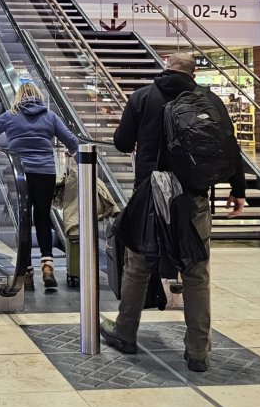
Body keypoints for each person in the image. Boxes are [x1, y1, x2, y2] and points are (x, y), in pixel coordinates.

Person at [101, 52, 246, 371]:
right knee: (196, 272)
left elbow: (122, 142)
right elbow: (230, 146)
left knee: (138, 264)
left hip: (150, 196)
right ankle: (197, 351)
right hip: (192, 198)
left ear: (165, 65)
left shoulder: (142, 97)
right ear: (194, 73)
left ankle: (125, 332)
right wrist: (238, 190)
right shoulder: (209, 101)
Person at [0, 82, 79, 291]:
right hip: (46, 173)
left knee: (22, 220)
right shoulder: (50, 116)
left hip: (19, 174)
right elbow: (71, 140)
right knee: (43, 217)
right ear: (38, 96)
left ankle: (27, 271)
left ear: (19, 97)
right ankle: (48, 266)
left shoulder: (11, 115)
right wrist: (72, 151)